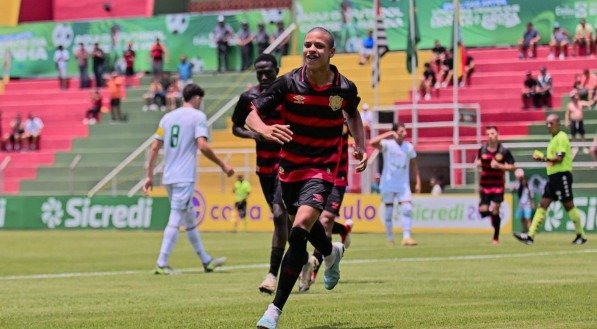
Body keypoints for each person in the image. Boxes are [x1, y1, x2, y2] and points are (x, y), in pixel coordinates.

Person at [246, 27, 367, 329]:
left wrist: (359, 144)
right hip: (290, 168)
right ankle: (331, 251)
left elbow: (352, 113)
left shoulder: (344, 88)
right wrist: (264, 129)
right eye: (308, 44)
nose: (312, 49)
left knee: (298, 229)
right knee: (296, 222)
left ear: (331, 53)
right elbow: (249, 112)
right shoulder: (287, 82)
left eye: (319, 46)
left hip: (323, 167)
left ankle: (273, 311)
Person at [144, 83, 235, 275]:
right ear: (195, 98)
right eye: (200, 99)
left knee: (190, 219)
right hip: (184, 177)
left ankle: (206, 261)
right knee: (176, 217)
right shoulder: (198, 117)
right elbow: (202, 145)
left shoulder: (167, 118)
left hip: (168, 176)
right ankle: (161, 262)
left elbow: (154, 147)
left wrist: (149, 176)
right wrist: (223, 165)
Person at [231, 53, 288, 294]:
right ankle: (306, 260)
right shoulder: (249, 98)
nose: (264, 76)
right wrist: (254, 134)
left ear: (277, 69)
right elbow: (236, 126)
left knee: (278, 214)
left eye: (269, 72)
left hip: (287, 162)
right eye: (260, 72)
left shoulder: (287, 93)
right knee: (284, 219)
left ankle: (272, 275)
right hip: (264, 166)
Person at [513, 114, 587, 245]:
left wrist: (543, 158)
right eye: (547, 123)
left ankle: (581, 235)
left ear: (558, 124)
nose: (548, 126)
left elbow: (559, 159)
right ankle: (530, 236)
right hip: (553, 177)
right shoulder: (553, 139)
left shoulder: (562, 137)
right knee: (543, 204)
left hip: (562, 175)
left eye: (551, 123)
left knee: (569, 205)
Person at [298, 121, 354, 293]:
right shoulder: (316, 112)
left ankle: (313, 269)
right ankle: (342, 231)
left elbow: (357, 130)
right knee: (308, 220)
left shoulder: (343, 112)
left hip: (338, 175)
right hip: (316, 174)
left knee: (326, 219)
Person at [369, 123, 421, 246]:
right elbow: (372, 142)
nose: (405, 133)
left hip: (403, 184)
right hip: (388, 184)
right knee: (388, 212)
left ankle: (407, 237)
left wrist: (417, 181)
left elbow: (414, 165)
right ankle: (390, 237)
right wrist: (388, 134)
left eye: (405, 131)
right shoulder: (388, 145)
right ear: (395, 132)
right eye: (402, 131)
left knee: (407, 209)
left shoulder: (409, 147)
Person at [476, 126, 515, 245]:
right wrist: (478, 163)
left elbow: (512, 166)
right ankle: (494, 216)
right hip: (485, 185)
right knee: (483, 210)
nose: (490, 136)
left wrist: (499, 166)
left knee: (496, 208)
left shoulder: (504, 151)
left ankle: (496, 237)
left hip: (498, 185)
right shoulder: (482, 149)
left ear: (497, 134)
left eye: (492, 133)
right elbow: (477, 162)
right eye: (488, 134)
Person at [512, 168, 534, 234]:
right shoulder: (517, 183)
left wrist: (532, 202)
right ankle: (524, 230)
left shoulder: (528, 184)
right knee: (522, 218)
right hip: (520, 205)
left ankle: (530, 232)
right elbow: (513, 190)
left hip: (527, 204)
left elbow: (531, 194)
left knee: (528, 218)